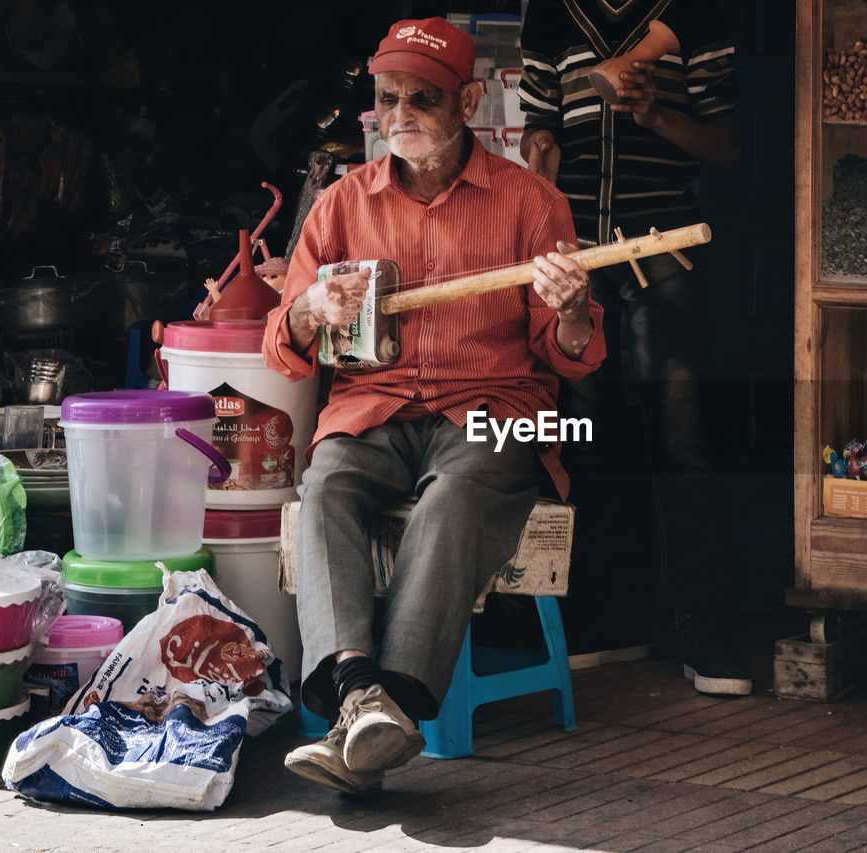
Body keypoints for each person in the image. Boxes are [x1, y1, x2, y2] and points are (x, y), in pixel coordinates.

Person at [263, 16, 606, 795]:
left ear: (470, 99)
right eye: (387, 98)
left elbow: (572, 353)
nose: (401, 115)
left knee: (454, 494)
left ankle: (382, 705)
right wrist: (313, 308)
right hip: (372, 410)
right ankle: (364, 698)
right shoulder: (341, 204)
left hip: (491, 407)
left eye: (424, 97)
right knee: (325, 484)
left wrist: (575, 309)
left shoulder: (530, 202)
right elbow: (280, 346)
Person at [518, 0, 751, 695]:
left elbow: (730, 147)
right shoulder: (549, 16)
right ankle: (610, 621)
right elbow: (539, 126)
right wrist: (538, 158)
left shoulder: (694, 14)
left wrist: (657, 118)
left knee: (683, 441)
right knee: (587, 441)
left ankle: (707, 633)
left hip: (666, 252)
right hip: (575, 260)